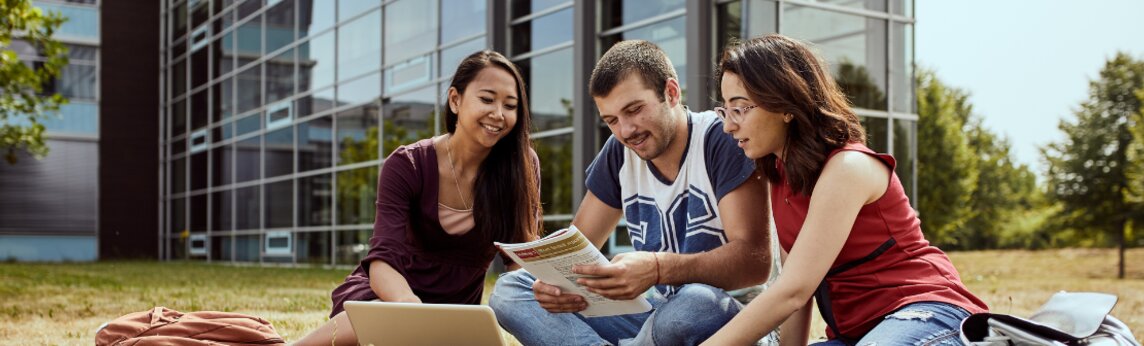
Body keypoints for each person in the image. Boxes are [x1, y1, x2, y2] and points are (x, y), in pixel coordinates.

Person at [702, 34, 989, 346]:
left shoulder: (847, 167)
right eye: (724, 111)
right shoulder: (782, 177)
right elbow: (796, 291)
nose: (729, 125)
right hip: (858, 335)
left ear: (785, 105)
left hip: (927, 312)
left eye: (741, 108)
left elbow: (792, 293)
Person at [490, 40, 776, 346]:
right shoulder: (619, 152)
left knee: (693, 304)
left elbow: (754, 263)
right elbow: (576, 249)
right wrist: (556, 285)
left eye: (634, 110)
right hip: (654, 316)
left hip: (733, 320)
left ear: (671, 92)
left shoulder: (721, 138)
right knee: (511, 290)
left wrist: (656, 269)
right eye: (611, 120)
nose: (626, 131)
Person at [294, 50, 542, 346]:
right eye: (487, 99)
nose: (498, 114)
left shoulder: (521, 166)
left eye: (510, 105)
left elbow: (519, 258)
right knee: (382, 317)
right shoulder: (407, 164)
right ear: (455, 100)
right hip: (389, 297)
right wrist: (409, 309)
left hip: (455, 315)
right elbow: (382, 260)